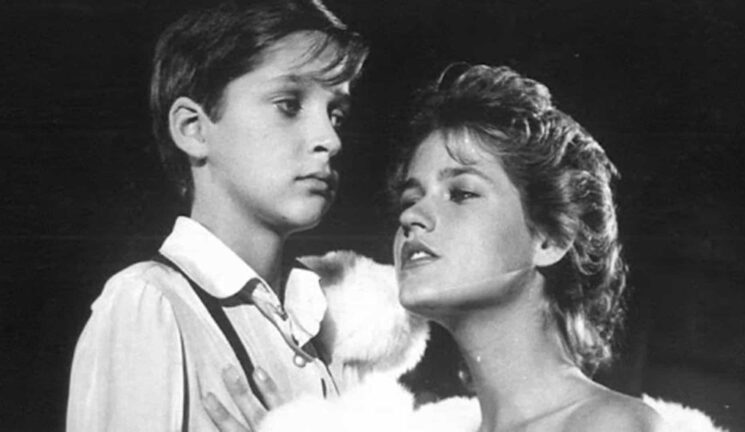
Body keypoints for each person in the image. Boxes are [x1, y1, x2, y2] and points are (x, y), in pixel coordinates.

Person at [66, 1, 368, 430]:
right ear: (193, 128)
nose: (330, 140)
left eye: (335, 115)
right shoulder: (149, 304)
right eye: (289, 104)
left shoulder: (329, 320)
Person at [388, 63, 661, 431]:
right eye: (410, 199)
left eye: (462, 193)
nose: (411, 216)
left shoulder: (608, 425)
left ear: (550, 239)